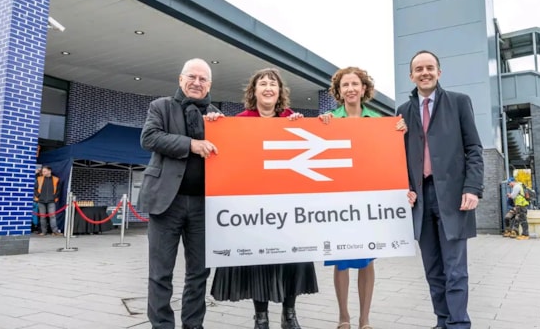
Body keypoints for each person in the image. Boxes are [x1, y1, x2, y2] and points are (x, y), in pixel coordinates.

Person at [211, 68, 318, 329]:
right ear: (254, 91)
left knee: (292, 257)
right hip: (254, 206)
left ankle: (289, 313)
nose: (268, 88)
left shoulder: (294, 120)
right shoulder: (239, 121)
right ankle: (261, 316)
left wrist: (306, 125)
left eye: (273, 84)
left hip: (290, 205)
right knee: (259, 260)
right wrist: (216, 125)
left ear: (280, 91)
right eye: (263, 83)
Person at [398, 50, 484, 329]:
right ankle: (443, 321)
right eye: (419, 69)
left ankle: (459, 324)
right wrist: (406, 188)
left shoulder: (459, 102)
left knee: (455, 269)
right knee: (433, 269)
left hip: (454, 198)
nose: (425, 72)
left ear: (439, 72)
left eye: (430, 67)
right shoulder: (403, 112)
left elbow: (474, 148)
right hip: (421, 199)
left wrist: (472, 187)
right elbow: (398, 157)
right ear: (411, 75)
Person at [318, 66, 405, 329]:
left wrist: (398, 130)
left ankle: (364, 319)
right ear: (339, 91)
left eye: (355, 84)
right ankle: (343, 317)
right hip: (338, 202)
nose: (351, 89)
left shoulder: (378, 121)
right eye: (345, 85)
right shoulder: (329, 120)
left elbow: (388, 158)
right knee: (341, 260)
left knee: (366, 260)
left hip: (368, 202)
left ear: (364, 88)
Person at [139, 58, 223, 329]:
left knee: (199, 273)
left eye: (203, 79)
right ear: (180, 79)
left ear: (209, 84)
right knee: (160, 272)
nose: (197, 83)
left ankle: (193, 325)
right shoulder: (161, 107)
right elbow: (149, 138)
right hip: (166, 202)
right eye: (192, 77)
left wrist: (219, 128)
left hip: (203, 206)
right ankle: (162, 325)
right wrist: (191, 145)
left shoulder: (216, 115)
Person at [34, 165, 62, 236]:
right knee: (42, 217)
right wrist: (38, 196)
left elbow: (58, 190)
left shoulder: (56, 179)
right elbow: (35, 189)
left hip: (51, 201)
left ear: (49, 171)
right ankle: (43, 231)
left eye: (45, 171)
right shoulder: (39, 179)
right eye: (43, 171)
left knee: (52, 216)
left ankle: (55, 231)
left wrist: (54, 197)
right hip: (41, 201)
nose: (43, 172)